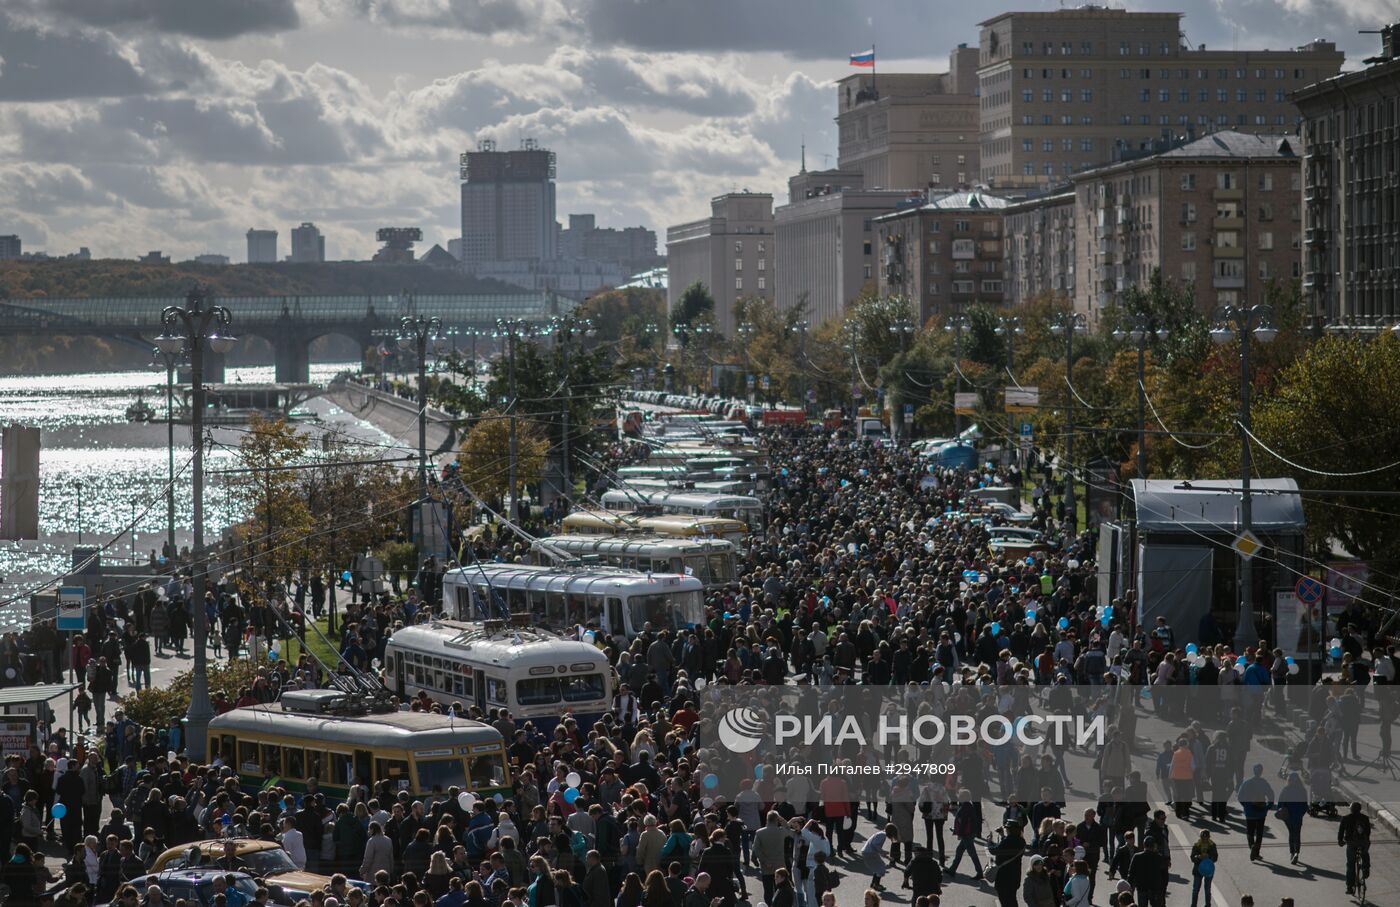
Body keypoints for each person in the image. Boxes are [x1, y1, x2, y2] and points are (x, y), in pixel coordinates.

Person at [1236, 763, 1275, 861]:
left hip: (1250, 812)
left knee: (1250, 832)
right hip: (1261, 811)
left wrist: (1246, 806)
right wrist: (1268, 806)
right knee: (1259, 833)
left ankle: (1252, 846)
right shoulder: (1264, 782)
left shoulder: (1246, 782)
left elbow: (1240, 796)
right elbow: (1271, 795)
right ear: (1261, 772)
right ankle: (1256, 852)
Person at [1338, 802, 1371, 895]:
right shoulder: (1365, 818)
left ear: (1351, 809)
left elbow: (1341, 831)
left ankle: (1349, 887)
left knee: (1350, 864)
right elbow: (1368, 832)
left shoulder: (1346, 818)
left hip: (1351, 843)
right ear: (1360, 809)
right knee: (1365, 853)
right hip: (1363, 843)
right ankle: (1366, 868)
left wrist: (1340, 841)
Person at [1276, 772, 1308, 864]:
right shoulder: (1302, 790)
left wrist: (1281, 812)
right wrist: (1301, 813)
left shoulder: (1286, 789)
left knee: (1291, 833)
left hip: (1288, 816)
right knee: (1297, 834)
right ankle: (1297, 852)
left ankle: (1292, 852)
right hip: (1298, 816)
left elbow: (1280, 803)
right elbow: (1305, 805)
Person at [860, 824, 896, 891]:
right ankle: (876, 885)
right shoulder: (883, 835)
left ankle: (873, 883)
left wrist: (887, 857)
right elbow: (876, 845)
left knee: (878, 868)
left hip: (868, 852)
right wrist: (883, 851)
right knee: (881, 868)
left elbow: (877, 849)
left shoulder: (881, 834)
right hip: (869, 853)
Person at [1188, 830, 1217, 907]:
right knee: (1195, 889)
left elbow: (1215, 857)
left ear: (1208, 837)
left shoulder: (1212, 845)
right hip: (1198, 869)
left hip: (1209, 869)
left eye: (1206, 837)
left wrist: (1209, 858)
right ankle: (1193, 905)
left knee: (1207, 889)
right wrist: (1199, 857)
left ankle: (1208, 905)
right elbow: (1192, 857)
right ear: (1200, 837)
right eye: (1203, 837)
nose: (1204, 839)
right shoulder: (1197, 845)